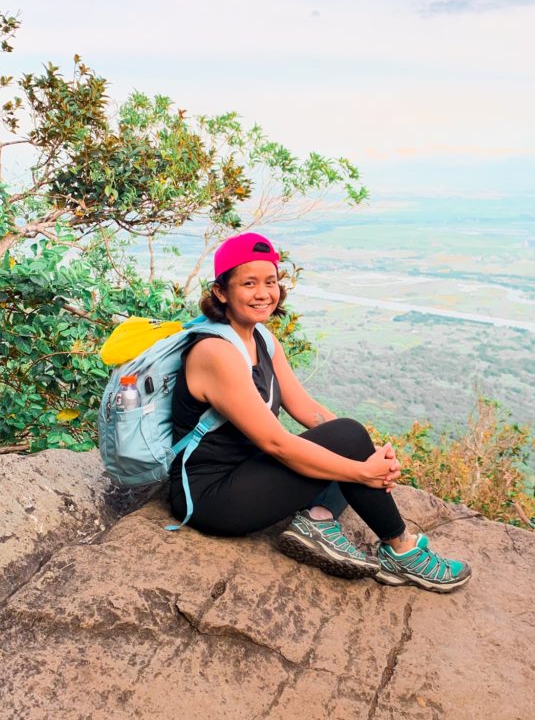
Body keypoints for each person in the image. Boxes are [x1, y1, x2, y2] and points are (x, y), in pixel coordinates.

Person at [170, 231, 471, 593]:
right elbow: (276, 443)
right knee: (345, 448)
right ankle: (402, 551)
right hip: (210, 496)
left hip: (248, 472)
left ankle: (318, 519)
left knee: (349, 434)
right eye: (248, 283)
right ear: (221, 292)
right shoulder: (215, 352)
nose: (263, 293)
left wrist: (370, 455)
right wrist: (362, 473)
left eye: (270, 281)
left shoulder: (261, 338)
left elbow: (306, 409)